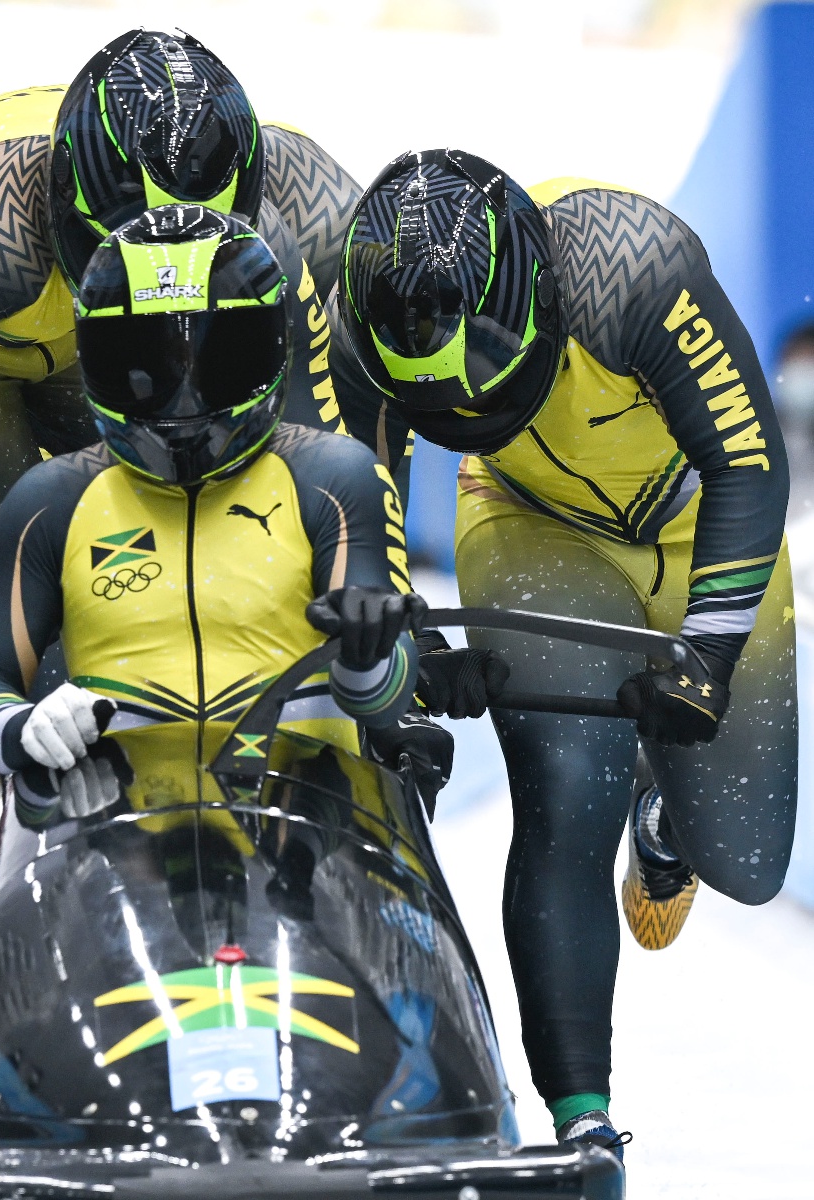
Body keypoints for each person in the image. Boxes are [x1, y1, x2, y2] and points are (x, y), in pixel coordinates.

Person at [328, 149, 797, 1158]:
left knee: (748, 867)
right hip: (527, 518)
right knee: (560, 790)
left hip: (696, 518)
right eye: (434, 407)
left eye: (483, 383)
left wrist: (707, 655)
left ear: (536, 298)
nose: (461, 414)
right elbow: (353, 507)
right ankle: (580, 1113)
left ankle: (665, 816)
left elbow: (749, 466)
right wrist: (407, 638)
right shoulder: (352, 314)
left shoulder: (634, 265)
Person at [0, 29, 362, 745]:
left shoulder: (309, 213)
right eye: (124, 248)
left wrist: (365, 623)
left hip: (71, 308)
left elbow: (315, 464)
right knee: (18, 576)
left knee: (192, 508)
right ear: (62, 202)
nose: (153, 277)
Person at [0, 203, 438, 834]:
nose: (185, 403)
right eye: (148, 368)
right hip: (119, 847)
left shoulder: (336, 477)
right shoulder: (51, 501)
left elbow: (387, 699)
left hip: (304, 835)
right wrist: (18, 728)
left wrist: (368, 656)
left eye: (217, 360)